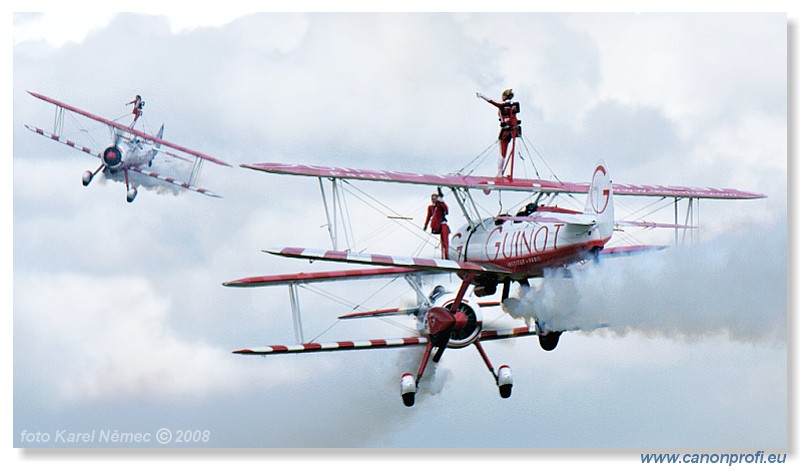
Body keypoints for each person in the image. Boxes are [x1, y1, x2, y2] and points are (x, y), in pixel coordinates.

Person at [477, 89, 522, 177]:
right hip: (514, 130)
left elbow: (491, 100)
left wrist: (481, 95)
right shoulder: (514, 105)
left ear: (504, 96)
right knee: (509, 149)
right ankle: (503, 172)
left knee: (503, 151)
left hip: (506, 131)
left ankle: (499, 172)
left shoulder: (502, 104)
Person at [423, 188, 450, 258]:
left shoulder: (440, 205)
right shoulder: (430, 207)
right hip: (436, 225)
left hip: (442, 224)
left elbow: (446, 209)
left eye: (435, 198)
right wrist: (425, 225)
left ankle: (446, 256)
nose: (433, 200)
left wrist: (441, 201)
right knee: (442, 242)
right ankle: (443, 256)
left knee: (445, 241)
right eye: (432, 199)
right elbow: (428, 216)